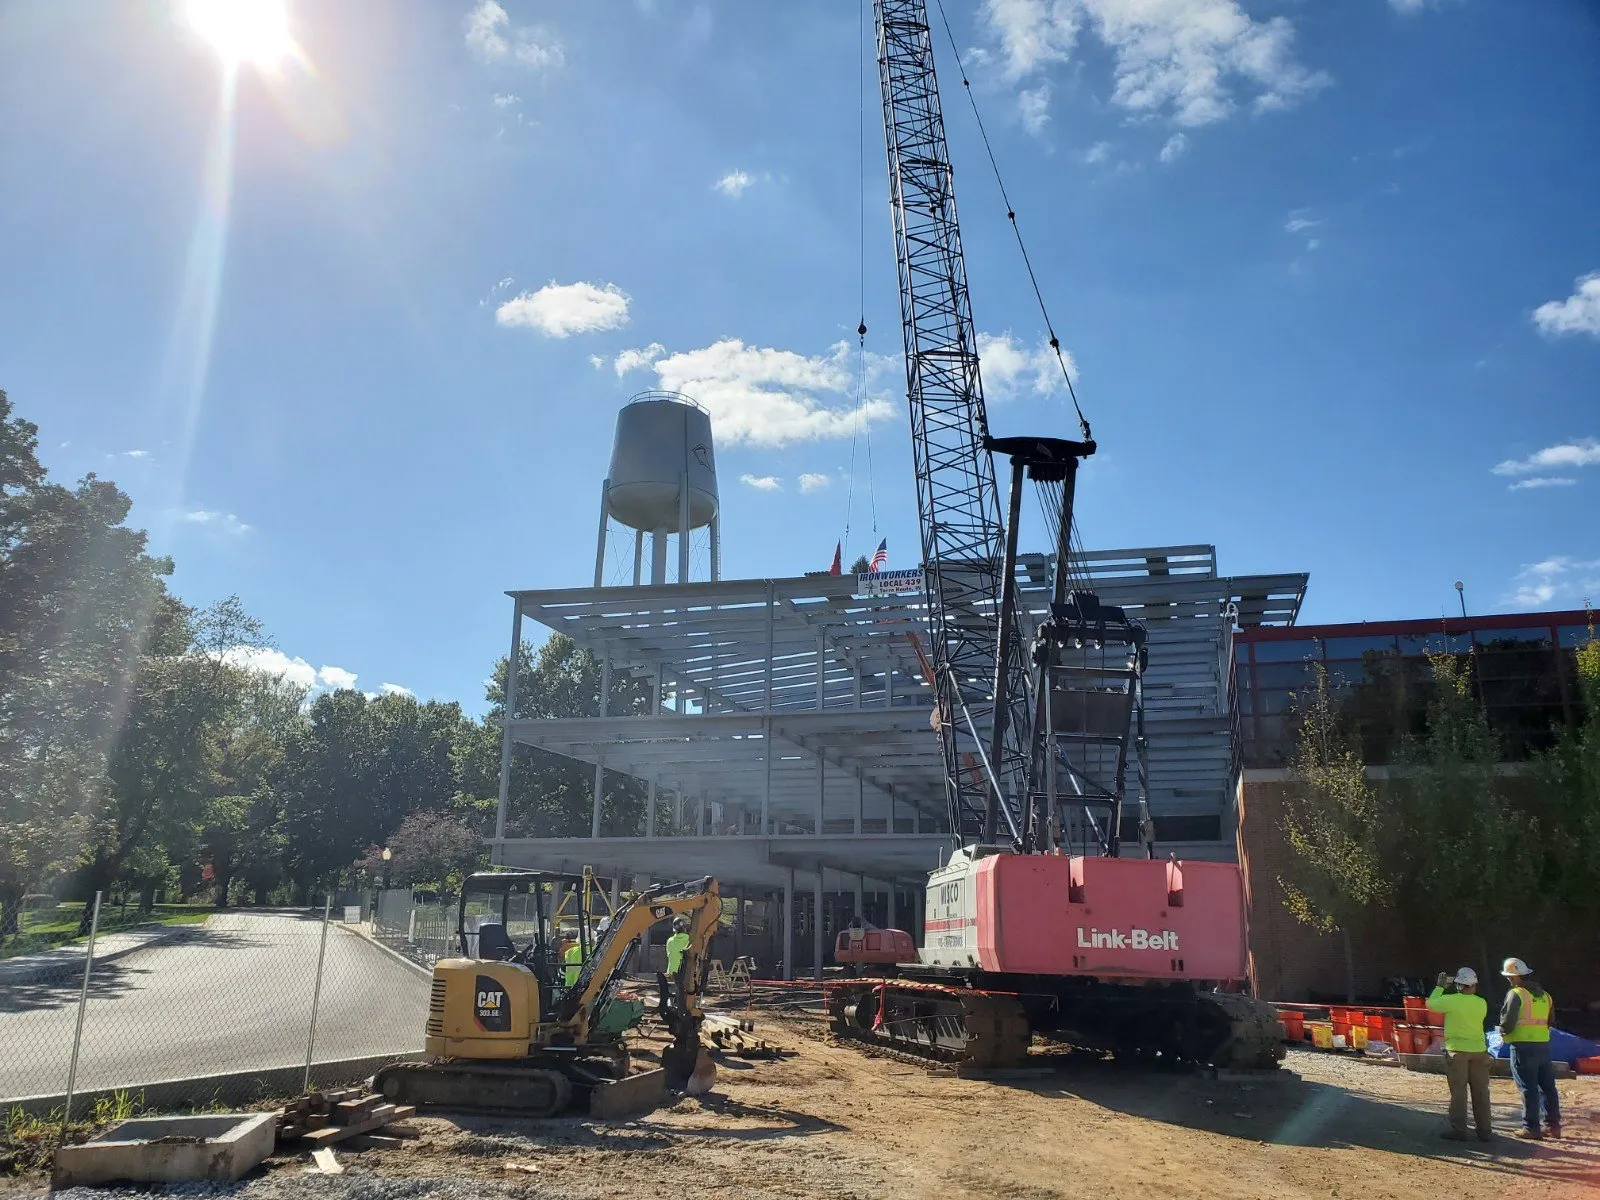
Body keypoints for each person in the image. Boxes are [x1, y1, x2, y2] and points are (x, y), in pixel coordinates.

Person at [1426, 967, 1493, 1143]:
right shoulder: (1481, 1003)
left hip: (1457, 1051)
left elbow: (1431, 1004)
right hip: (1479, 1051)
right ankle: (1485, 1130)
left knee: (1459, 1092)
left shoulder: (1451, 1001)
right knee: (1481, 1091)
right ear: (1474, 985)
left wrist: (1440, 987)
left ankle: (1460, 1130)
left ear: (1458, 985)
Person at [1499, 957, 1560, 1140]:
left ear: (1517, 977)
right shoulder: (1545, 996)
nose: (1509, 980)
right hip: (1542, 1046)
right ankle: (1553, 1126)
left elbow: (1507, 1022)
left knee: (1528, 1088)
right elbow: (1550, 1021)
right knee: (1548, 1087)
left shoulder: (1515, 994)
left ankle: (1531, 1127)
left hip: (1522, 1047)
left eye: (1510, 977)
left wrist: (1503, 1033)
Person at [665, 917, 692, 1003]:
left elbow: (669, 954)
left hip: (671, 971)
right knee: (682, 995)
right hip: (683, 971)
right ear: (684, 928)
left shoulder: (670, 941)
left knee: (672, 994)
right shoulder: (689, 939)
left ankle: (672, 1007)